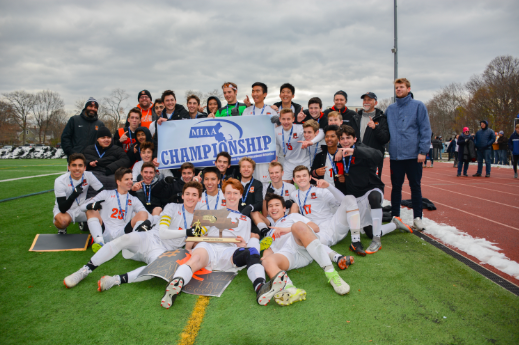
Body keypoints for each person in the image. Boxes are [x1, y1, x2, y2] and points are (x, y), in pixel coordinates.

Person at [160, 178, 288, 308]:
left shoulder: (246, 220)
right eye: (228, 193)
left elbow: (244, 244)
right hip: (209, 247)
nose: (232, 196)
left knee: (251, 252)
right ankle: (175, 286)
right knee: (196, 258)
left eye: (235, 193)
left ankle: (261, 287)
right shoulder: (212, 213)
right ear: (224, 194)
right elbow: (196, 233)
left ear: (240, 195)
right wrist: (188, 248)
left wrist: (242, 245)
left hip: (229, 252)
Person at [62, 181, 201, 290]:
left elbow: (194, 238)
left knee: (156, 269)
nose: (190, 197)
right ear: (182, 196)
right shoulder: (172, 206)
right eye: (187, 194)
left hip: (164, 251)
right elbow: (163, 232)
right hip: (150, 238)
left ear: (199, 198)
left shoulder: (200, 217)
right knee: (125, 238)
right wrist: (188, 232)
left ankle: (114, 280)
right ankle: (84, 271)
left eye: (194, 195)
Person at [259, 194, 351, 306]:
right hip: (288, 255)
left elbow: (315, 228)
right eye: (270, 206)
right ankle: (290, 289)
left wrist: (288, 229)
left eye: (277, 205)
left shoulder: (292, 217)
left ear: (284, 208)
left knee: (297, 226)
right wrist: (263, 257)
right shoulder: (269, 233)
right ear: (268, 211)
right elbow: (269, 252)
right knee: (266, 261)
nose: (273, 208)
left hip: (303, 246)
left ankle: (332, 274)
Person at [335, 125, 412, 254]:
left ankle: (377, 241)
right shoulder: (340, 153)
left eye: (348, 138)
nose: (345, 141)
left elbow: (378, 155)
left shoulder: (362, 148)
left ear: (355, 139)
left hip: (371, 189)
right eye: (342, 139)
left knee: (374, 198)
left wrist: (355, 151)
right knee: (369, 232)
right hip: (356, 196)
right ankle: (395, 224)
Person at [386, 78, 432, 231]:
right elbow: (384, 129)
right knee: (396, 187)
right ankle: (395, 217)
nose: (398, 90)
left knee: (415, 187)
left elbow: (425, 129)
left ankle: (417, 218)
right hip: (396, 156)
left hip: (414, 156)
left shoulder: (418, 106)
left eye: (401, 87)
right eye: (396, 87)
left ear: (408, 88)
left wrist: (422, 151)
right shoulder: (390, 109)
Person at [78, 167, 153, 251]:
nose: (130, 182)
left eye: (131, 179)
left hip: (123, 234)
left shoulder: (133, 199)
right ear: (118, 182)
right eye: (127, 179)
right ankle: (99, 242)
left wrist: (147, 223)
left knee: (143, 213)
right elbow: (82, 208)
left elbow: (148, 216)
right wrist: (91, 206)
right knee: (91, 209)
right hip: (105, 232)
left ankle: (135, 241)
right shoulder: (105, 194)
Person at [53, 153, 104, 235]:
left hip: (83, 206)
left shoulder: (89, 175)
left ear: (84, 167)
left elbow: (103, 192)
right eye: (74, 165)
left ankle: (95, 229)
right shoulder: (60, 181)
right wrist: (74, 195)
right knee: (63, 222)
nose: (77, 168)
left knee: (101, 204)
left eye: (80, 165)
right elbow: (62, 208)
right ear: (69, 167)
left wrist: (96, 201)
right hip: (66, 210)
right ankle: (62, 229)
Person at [242, 82, 278, 183]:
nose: (254, 94)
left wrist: (275, 153)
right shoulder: (246, 111)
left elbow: (276, 134)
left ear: (265, 94)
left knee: (264, 182)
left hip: (264, 152)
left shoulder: (271, 111)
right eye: (253, 91)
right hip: (250, 151)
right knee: (249, 181)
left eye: (258, 91)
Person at [276, 109, 323, 182]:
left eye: (288, 119)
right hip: (288, 162)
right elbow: (277, 144)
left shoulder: (300, 128)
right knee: (286, 187)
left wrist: (311, 142)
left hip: (304, 161)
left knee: (304, 185)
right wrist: (275, 156)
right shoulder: (276, 130)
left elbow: (321, 132)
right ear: (280, 119)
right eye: (283, 119)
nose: (286, 122)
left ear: (293, 119)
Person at [82, 127, 130, 193]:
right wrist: (89, 163)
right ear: (97, 139)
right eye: (103, 138)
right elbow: (81, 161)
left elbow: (126, 160)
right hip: (93, 180)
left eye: (108, 137)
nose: (106, 140)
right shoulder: (89, 149)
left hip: (110, 178)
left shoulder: (117, 149)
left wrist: (110, 168)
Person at [353, 92, 390, 177]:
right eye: (365, 100)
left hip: (373, 158)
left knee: (374, 185)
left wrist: (375, 128)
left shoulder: (382, 118)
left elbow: (385, 138)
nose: (366, 102)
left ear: (375, 103)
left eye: (369, 100)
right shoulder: (356, 118)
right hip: (357, 156)